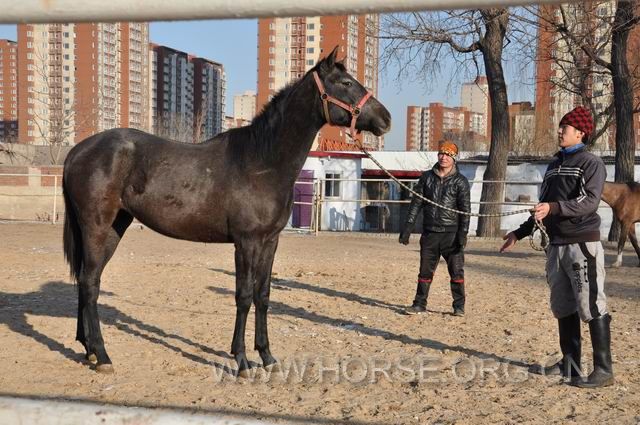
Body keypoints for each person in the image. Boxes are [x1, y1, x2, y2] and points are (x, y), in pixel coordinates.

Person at [500, 106, 613, 388]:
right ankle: (570, 365)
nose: (560, 131)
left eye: (565, 127)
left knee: (591, 304)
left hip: (581, 243)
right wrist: (520, 232)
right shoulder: (553, 166)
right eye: (561, 126)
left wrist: (553, 207)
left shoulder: (591, 163)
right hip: (556, 245)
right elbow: (543, 209)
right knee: (563, 306)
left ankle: (603, 370)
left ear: (580, 133)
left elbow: (589, 201)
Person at [399, 141, 471, 316]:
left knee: (456, 272)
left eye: (448, 154)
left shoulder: (460, 181)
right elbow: (416, 203)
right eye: (441, 153)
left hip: (451, 234)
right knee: (424, 271)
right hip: (430, 233)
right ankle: (419, 303)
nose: (443, 157)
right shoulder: (426, 178)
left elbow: (465, 210)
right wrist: (408, 227)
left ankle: (459, 306)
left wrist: (463, 234)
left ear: (453, 158)